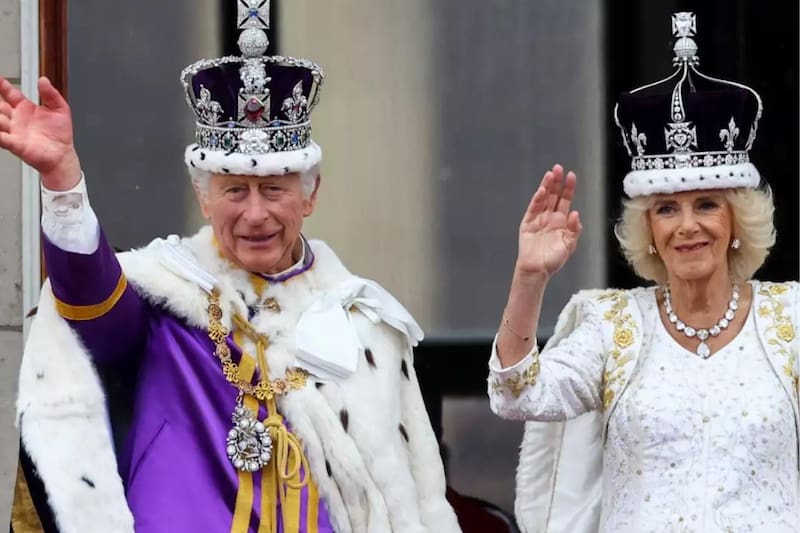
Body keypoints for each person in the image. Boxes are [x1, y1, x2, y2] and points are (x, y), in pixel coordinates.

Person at [1, 3, 460, 532]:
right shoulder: (167, 300)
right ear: (204, 198)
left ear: (310, 196)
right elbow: (88, 297)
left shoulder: (366, 327)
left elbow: (405, 505)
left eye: (274, 190)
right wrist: (63, 181)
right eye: (235, 191)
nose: (255, 214)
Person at [487, 12, 797, 533]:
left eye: (706, 204)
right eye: (667, 209)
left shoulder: (788, 317)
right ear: (647, 228)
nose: (687, 226)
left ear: (737, 220)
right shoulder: (613, 327)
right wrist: (529, 278)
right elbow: (517, 395)